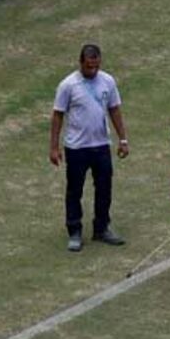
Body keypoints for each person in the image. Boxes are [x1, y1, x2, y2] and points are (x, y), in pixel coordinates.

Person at [49, 44, 129, 252]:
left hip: (101, 145)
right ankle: (74, 230)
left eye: (96, 66)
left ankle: (101, 228)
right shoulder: (68, 85)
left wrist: (123, 139)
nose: (93, 70)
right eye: (89, 67)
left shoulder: (108, 81)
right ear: (81, 63)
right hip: (76, 148)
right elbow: (58, 114)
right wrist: (54, 147)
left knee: (105, 188)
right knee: (74, 190)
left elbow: (114, 109)